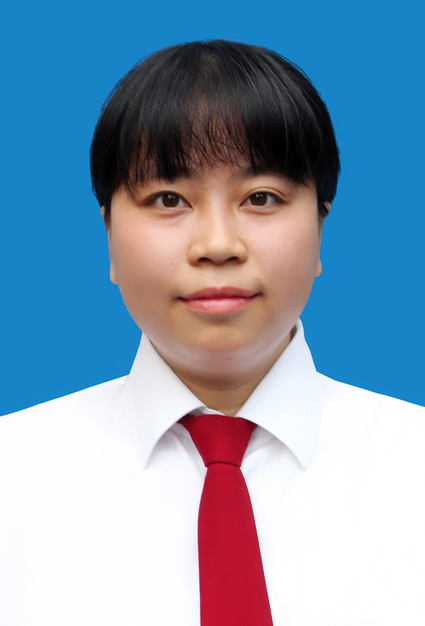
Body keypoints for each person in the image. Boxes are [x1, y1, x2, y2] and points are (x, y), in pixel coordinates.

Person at [0, 40, 424, 626]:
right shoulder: (13, 474)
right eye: (169, 199)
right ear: (109, 234)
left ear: (321, 224)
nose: (218, 245)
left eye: (261, 198)